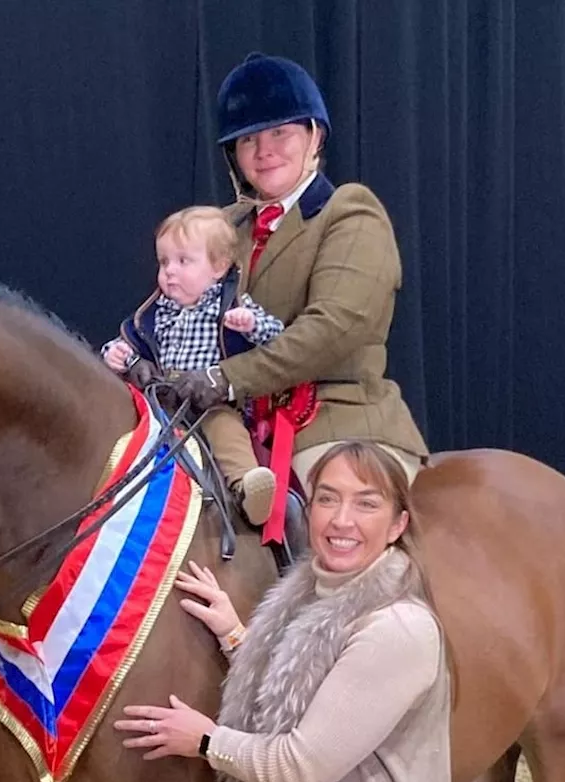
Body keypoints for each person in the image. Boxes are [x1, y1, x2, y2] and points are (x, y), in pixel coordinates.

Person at [114, 440, 453, 782]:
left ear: (398, 524)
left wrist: (204, 739)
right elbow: (312, 688)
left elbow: (301, 765)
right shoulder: (317, 596)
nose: (342, 520)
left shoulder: (398, 630)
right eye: (327, 499)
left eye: (366, 503)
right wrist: (237, 637)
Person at [166, 53, 429, 519]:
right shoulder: (223, 228)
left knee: (334, 525)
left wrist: (227, 379)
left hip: (332, 421)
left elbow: (333, 329)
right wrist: (135, 357)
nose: (264, 150)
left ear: (315, 136)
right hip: (228, 427)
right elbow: (168, 300)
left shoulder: (350, 212)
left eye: (280, 133)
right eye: (248, 139)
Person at [101, 205, 283, 525]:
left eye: (183, 261)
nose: (169, 271)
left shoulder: (231, 306)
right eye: (164, 262)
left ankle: (246, 487)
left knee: (227, 432)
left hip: (208, 402)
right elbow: (129, 342)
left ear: (219, 266)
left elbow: (275, 338)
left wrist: (250, 324)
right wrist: (117, 355)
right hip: (160, 404)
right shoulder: (155, 312)